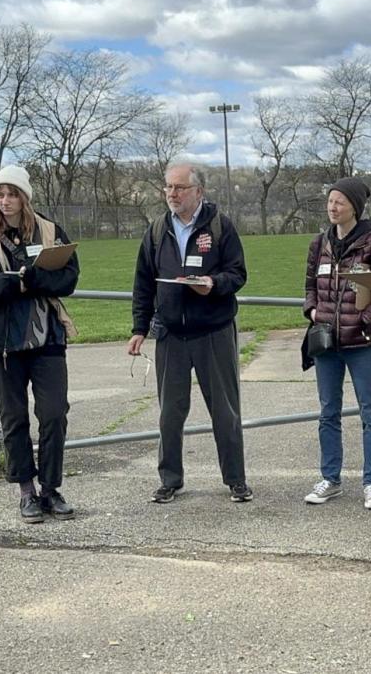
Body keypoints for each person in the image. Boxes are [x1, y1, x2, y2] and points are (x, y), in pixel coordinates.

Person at [0, 165, 80, 523]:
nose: (5, 201)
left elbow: (69, 277)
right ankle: (26, 489)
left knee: (54, 412)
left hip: (46, 338)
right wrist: (10, 284)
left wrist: (38, 278)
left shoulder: (50, 231)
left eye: (12, 194)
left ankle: (51, 488)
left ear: (25, 197)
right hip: (1, 343)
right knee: (14, 418)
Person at [128, 163, 251, 504]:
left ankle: (236, 480)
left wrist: (213, 285)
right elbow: (142, 284)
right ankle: (170, 479)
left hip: (214, 333)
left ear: (198, 191)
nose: (172, 193)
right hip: (171, 335)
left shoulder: (220, 226)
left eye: (180, 187)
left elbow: (238, 274)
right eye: (168, 187)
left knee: (225, 411)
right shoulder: (156, 231)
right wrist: (140, 328)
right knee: (170, 413)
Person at [301, 177, 371, 509]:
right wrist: (311, 310)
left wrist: (368, 317)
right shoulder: (318, 243)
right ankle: (331, 479)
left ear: (355, 206)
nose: (332, 207)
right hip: (326, 344)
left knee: (370, 413)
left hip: (362, 343)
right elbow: (310, 282)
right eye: (330, 201)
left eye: (339, 201)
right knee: (328, 412)